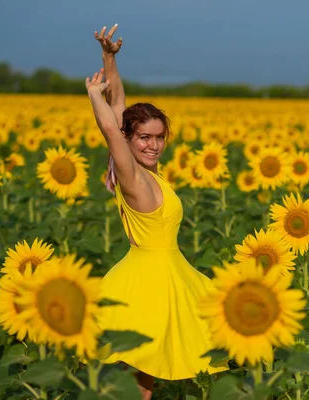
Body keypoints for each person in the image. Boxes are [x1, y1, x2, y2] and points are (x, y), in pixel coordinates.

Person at [85, 24, 229, 400]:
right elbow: (111, 126)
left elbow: (120, 108)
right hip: (146, 283)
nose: (154, 145)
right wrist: (92, 95)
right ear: (130, 140)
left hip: (164, 274)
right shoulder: (130, 176)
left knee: (140, 383)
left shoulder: (148, 172)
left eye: (159, 136)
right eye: (144, 137)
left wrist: (109, 59)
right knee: (138, 382)